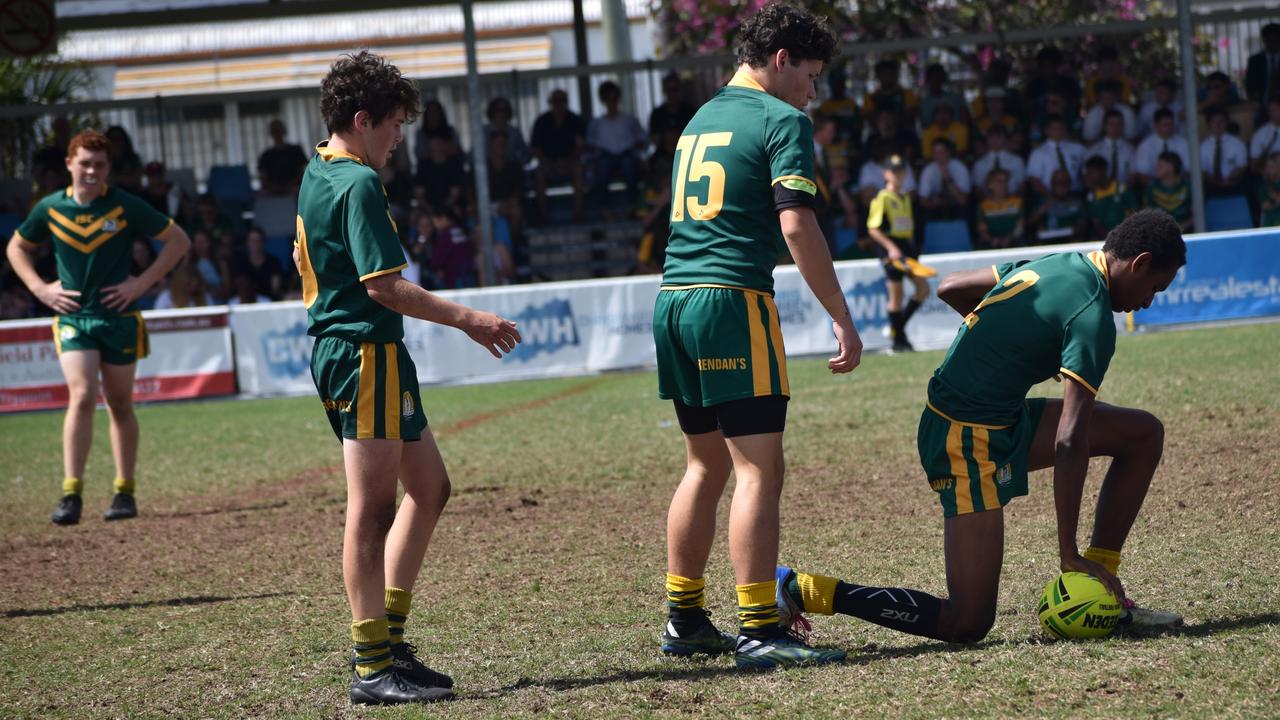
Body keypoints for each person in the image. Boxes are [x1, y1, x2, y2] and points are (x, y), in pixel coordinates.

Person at [776, 210, 1188, 644]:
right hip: (962, 437)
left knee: (1142, 434)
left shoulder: (1059, 263)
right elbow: (1071, 439)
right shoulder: (1093, 316)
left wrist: (1005, 341)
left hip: (1000, 416)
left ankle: (1105, 587)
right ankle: (801, 589)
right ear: (1139, 263)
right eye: (1154, 289)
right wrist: (1068, 553)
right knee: (968, 621)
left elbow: (950, 286)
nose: (1147, 303)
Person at [296, 50, 521, 705]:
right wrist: (470, 319)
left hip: (370, 352)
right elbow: (386, 288)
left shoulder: (322, 168)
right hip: (362, 352)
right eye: (394, 123)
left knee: (431, 487)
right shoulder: (359, 183)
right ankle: (372, 664)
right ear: (362, 120)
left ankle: (389, 643)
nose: (400, 137)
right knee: (371, 513)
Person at [653, 4, 862, 671]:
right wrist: (842, 314)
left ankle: (685, 617)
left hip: (673, 300)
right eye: (810, 74)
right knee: (758, 469)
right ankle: (756, 627)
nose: (812, 91)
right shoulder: (782, 120)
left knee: (705, 465)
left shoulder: (701, 117)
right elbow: (796, 226)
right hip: (731, 303)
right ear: (781, 61)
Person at [5, 129, 191, 525]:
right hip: (74, 318)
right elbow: (16, 247)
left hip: (119, 319)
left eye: (100, 164)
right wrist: (40, 288)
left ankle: (124, 491)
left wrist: (141, 283)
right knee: (83, 393)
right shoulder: (51, 208)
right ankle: (71, 492)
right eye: (85, 162)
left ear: (108, 168)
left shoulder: (123, 204)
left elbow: (178, 240)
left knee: (121, 403)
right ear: (70, 163)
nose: (92, 170)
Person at [867, 155, 928, 352]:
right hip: (890, 246)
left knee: (923, 289)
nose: (898, 175)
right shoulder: (882, 197)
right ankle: (898, 340)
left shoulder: (905, 197)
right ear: (886, 174)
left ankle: (897, 329)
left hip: (906, 247)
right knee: (897, 297)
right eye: (894, 171)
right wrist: (891, 248)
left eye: (901, 171)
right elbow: (873, 228)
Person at [586, 80, 647, 217]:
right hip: (605, 157)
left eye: (614, 98)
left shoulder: (630, 119)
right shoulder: (596, 123)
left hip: (627, 154)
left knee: (630, 166)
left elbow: (643, 138)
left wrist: (635, 146)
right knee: (601, 168)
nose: (612, 102)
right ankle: (604, 209)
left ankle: (632, 206)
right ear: (603, 100)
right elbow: (590, 144)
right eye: (608, 98)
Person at [531, 88, 587, 221]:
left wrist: (567, 161)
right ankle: (543, 214)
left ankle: (578, 213)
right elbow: (535, 148)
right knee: (539, 173)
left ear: (566, 102)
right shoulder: (541, 121)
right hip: (547, 164)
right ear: (550, 102)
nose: (559, 104)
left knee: (579, 170)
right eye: (555, 101)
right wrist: (549, 162)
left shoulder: (575, 120)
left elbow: (581, 146)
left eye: (562, 100)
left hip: (570, 163)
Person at [1027, 115, 1086, 196]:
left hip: (1074, 193)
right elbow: (1034, 179)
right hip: (1048, 194)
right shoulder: (1038, 153)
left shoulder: (1078, 149)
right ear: (1047, 131)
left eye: (1061, 128)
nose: (1058, 131)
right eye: (1054, 129)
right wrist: (1049, 196)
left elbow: (1085, 171)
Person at [1083, 155, 1137, 241]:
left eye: (1092, 172)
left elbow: (1133, 214)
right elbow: (1096, 223)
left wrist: (1124, 235)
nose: (1088, 176)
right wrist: (1110, 239)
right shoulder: (1091, 197)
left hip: (1127, 237)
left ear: (1103, 171)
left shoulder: (1122, 189)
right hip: (1105, 240)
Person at [1199, 106, 1249, 197]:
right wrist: (1216, 181)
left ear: (1226, 123)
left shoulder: (1238, 143)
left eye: (1221, 121)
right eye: (1214, 122)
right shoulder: (1202, 147)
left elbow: (1242, 167)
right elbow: (1203, 171)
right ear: (1208, 124)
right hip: (1212, 186)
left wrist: (1231, 178)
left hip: (1234, 184)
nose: (1217, 125)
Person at [1133, 109, 1191, 187]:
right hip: (1154, 188)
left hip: (1180, 186)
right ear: (1155, 125)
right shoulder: (1146, 145)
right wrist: (1162, 185)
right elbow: (1142, 175)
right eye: (1165, 125)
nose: (1169, 128)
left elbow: (1189, 171)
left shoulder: (1184, 143)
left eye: (1171, 124)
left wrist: (1174, 183)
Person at [649, 72, 696, 164]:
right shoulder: (657, 114)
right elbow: (654, 139)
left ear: (681, 90)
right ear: (664, 91)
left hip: (687, 156)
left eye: (675, 89)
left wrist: (677, 138)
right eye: (669, 90)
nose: (672, 93)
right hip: (662, 157)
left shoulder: (690, 111)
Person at [918, 138, 971, 220]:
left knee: (963, 210)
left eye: (941, 152)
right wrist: (934, 203)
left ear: (949, 152)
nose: (938, 156)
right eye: (935, 153)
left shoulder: (960, 167)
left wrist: (948, 178)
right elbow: (922, 201)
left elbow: (963, 201)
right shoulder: (929, 170)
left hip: (956, 205)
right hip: (935, 206)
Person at [1029, 169, 1086, 243]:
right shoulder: (1042, 201)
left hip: (1071, 244)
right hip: (1046, 244)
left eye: (1064, 182)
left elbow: (1083, 225)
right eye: (1057, 182)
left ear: (1069, 183)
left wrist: (1076, 229)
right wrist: (1042, 210)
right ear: (1052, 183)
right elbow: (1028, 225)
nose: (1061, 185)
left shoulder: (1077, 202)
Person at [257, 119, 309, 197]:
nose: (277, 134)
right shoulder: (266, 155)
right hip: (273, 191)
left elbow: (303, 172)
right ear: (271, 134)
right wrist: (273, 188)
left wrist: (291, 185)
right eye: (275, 131)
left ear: (284, 131)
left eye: (278, 131)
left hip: (295, 188)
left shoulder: (296, 150)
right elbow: (263, 177)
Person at [972, 124, 1026, 198]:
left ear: (1005, 139)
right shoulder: (979, 163)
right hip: (987, 203)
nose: (995, 141)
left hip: (1013, 202)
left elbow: (1022, 186)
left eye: (999, 137)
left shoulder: (1017, 160)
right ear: (986, 140)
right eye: (991, 137)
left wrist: (1013, 200)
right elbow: (977, 188)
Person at [1145, 152, 1193, 232]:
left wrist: (1180, 227)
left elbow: (1196, 216)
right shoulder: (1151, 189)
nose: (1156, 168)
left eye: (1160, 166)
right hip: (1160, 235)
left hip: (1186, 234)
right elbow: (1146, 216)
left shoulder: (1187, 187)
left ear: (1171, 167)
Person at [975, 169, 1024, 249]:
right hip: (991, 245)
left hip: (1015, 244)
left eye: (1006, 181)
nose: (1004, 184)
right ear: (989, 185)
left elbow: (1020, 227)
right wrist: (992, 239)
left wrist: (1009, 238)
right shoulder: (983, 206)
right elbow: (982, 231)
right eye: (999, 181)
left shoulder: (1017, 203)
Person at [1085, 110, 1136, 187]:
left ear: (1123, 126)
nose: (1115, 127)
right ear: (1105, 126)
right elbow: (1087, 176)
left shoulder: (1131, 150)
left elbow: (1134, 175)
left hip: (1125, 191)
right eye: (1111, 124)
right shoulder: (1095, 150)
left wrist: (1120, 190)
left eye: (1119, 124)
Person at [1245, 23, 1280, 110]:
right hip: (1261, 105)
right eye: (1270, 40)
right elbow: (1250, 85)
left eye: (1276, 40)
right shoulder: (1255, 61)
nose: (1273, 43)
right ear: (1264, 40)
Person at [104, 126, 144, 194]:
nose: (117, 143)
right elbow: (105, 181)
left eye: (120, 139)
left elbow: (136, 179)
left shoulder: (133, 158)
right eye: (113, 139)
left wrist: (116, 178)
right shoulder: (104, 159)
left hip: (132, 196)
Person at [1248, 97, 1280, 173]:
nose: (1271, 112)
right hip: (1268, 175)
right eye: (1270, 110)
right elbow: (1254, 165)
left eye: (1275, 109)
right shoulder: (1260, 134)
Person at [1257, 152, 1280, 227]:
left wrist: (1275, 198)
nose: (1269, 169)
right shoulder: (1263, 186)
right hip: (1269, 223)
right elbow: (1265, 206)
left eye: (1272, 167)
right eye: (1267, 167)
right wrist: (1276, 200)